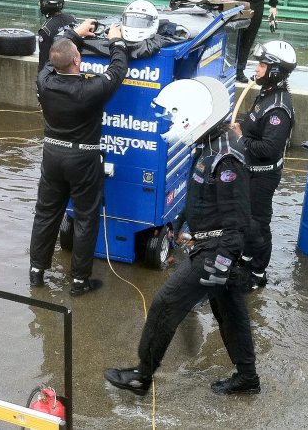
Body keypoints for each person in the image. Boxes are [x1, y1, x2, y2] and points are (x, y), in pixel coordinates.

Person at [105, 77, 260, 396]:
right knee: (230, 312)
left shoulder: (227, 159)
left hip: (217, 250)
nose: (172, 123)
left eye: (176, 116)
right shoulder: (208, 145)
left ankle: (141, 376)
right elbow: (199, 197)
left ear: (193, 117)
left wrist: (218, 265)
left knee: (165, 304)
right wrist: (177, 226)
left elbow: (238, 221)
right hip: (209, 245)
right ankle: (248, 377)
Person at [29, 19, 129, 295]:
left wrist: (74, 33)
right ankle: (79, 281)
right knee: (86, 217)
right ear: (77, 60)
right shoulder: (89, 89)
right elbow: (118, 70)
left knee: (46, 214)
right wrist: (116, 39)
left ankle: (36, 272)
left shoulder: (44, 80)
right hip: (83, 160)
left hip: (52, 155)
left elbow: (52, 56)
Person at [229, 40, 296, 291]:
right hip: (250, 172)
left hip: (263, 176)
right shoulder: (267, 94)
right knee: (245, 220)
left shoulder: (279, 107)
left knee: (257, 224)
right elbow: (254, 125)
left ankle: (258, 273)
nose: (257, 69)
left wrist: (240, 138)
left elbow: (269, 148)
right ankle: (245, 260)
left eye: (262, 65)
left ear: (276, 71)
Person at [222, 0, 278, 83]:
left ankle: (239, 70)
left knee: (248, 40)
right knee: (232, 40)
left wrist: (273, 5)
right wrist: (225, 3)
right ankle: (227, 69)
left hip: (257, 5)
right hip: (239, 3)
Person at [34, 0, 77, 72]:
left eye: (40, 1)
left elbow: (44, 62)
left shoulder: (46, 30)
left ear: (45, 4)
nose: (39, 4)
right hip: (75, 69)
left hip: (57, 76)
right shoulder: (72, 19)